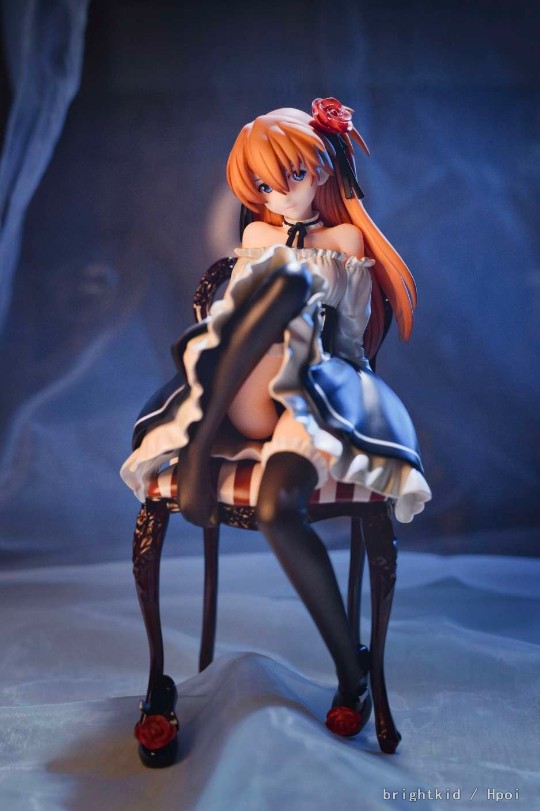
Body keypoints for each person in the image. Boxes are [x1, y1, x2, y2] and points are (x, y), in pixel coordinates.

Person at [121, 97, 431, 739]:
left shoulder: (345, 241)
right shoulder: (257, 239)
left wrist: (299, 302)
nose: (280, 196)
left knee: (275, 507)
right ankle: (201, 440)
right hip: (242, 392)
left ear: (322, 169)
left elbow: (345, 335)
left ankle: (352, 672)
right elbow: (231, 324)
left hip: (315, 389)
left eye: (291, 176)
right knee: (278, 286)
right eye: (264, 186)